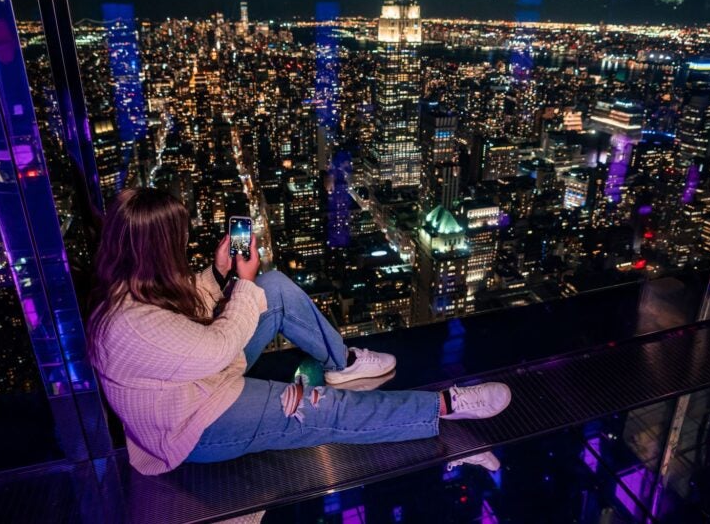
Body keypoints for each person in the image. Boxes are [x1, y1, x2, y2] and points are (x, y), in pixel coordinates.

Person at [86, 187, 511, 476]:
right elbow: (217, 346)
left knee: (273, 288)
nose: (183, 240)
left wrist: (219, 273)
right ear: (157, 247)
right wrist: (243, 284)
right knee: (320, 408)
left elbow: (183, 322)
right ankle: (443, 408)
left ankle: (342, 362)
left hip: (195, 382)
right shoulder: (129, 326)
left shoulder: (132, 286)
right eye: (176, 236)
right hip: (193, 425)